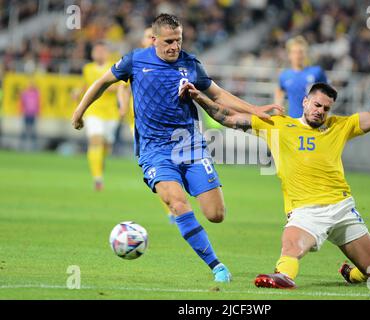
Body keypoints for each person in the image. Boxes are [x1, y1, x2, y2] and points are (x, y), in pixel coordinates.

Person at [72, 13, 281, 283]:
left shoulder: (190, 63)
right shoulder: (135, 60)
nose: (175, 47)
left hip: (190, 146)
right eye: (169, 41)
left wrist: (253, 109)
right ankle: (217, 266)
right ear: (154, 39)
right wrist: (79, 112)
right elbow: (102, 82)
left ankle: (199, 210)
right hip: (154, 150)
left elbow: (217, 93)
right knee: (177, 202)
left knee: (215, 215)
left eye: (178, 41)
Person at [182, 46, 370, 289]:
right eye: (316, 105)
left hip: (342, 208)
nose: (320, 111)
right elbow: (226, 117)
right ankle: (283, 276)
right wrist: (199, 97)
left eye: (325, 108)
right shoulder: (277, 125)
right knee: (291, 245)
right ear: (305, 102)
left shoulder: (339, 125)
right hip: (306, 211)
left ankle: (352, 273)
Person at [117, 26, 177, 224]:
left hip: (171, 125)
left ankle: (178, 203)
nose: (150, 40)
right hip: (143, 125)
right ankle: (172, 209)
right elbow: (122, 87)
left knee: (167, 166)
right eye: (146, 36)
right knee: (159, 167)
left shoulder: (170, 62)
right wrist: (124, 107)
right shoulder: (136, 62)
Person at [74, 41, 120, 191]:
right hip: (94, 111)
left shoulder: (114, 67)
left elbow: (119, 87)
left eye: (102, 51)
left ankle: (98, 167)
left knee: (106, 147)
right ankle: (97, 178)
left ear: (107, 53)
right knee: (96, 141)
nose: (99, 53)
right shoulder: (87, 68)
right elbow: (86, 86)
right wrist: (77, 93)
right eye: (96, 51)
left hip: (111, 113)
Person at [275, 35, 328, 118]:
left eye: (301, 52)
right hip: (294, 122)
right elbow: (279, 92)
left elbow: (327, 95)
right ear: (289, 55)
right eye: (294, 52)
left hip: (314, 122)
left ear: (305, 53)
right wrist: (278, 112)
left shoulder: (317, 72)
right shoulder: (284, 76)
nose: (298, 55)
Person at [20, 82, 40, 151]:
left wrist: (38, 111)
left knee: (33, 130)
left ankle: (34, 147)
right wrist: (21, 110)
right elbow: (22, 102)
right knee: (25, 130)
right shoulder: (25, 93)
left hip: (33, 114)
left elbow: (38, 103)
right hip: (26, 113)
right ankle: (22, 145)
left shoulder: (36, 93)